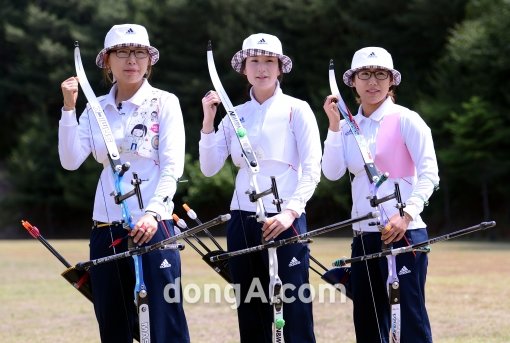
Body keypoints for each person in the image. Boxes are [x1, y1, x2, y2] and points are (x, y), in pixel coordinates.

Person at [59, 24, 189, 343]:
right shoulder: (94, 108)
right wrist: (68, 108)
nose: (131, 60)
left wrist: (153, 213)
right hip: (106, 227)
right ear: (107, 61)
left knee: (164, 321)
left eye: (139, 53)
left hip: (154, 226)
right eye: (122, 52)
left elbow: (172, 167)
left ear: (149, 61)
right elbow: (70, 160)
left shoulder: (165, 102)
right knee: (113, 320)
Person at [200, 33, 321, 343]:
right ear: (244, 67)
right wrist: (209, 122)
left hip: (286, 218)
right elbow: (210, 167)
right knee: (251, 306)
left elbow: (312, 168)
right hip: (243, 217)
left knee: (293, 305)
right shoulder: (235, 114)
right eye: (254, 61)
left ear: (280, 67)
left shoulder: (298, 109)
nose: (262, 68)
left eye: (270, 61)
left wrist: (291, 212)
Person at [322, 47, 439, 343]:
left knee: (409, 319)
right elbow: (332, 172)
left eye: (380, 75)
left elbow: (430, 175)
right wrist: (334, 127)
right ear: (353, 82)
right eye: (365, 74)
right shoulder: (347, 128)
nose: (372, 82)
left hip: (405, 234)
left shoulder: (407, 119)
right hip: (363, 235)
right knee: (368, 320)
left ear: (391, 81)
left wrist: (407, 214)